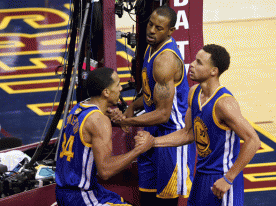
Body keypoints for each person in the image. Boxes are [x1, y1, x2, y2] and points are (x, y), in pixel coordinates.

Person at [151, 44, 261, 205]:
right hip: (201, 174)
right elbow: (188, 134)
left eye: (199, 62)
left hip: (222, 178)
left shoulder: (224, 104)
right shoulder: (194, 92)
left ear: (213, 71)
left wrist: (229, 178)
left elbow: (254, 140)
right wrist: (153, 142)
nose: (192, 65)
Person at [111, 5, 196, 206]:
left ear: (170, 31)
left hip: (171, 136)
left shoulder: (165, 60)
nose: (151, 30)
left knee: (165, 202)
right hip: (151, 132)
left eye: (159, 28)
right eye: (150, 24)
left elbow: (163, 114)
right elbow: (150, 93)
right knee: (147, 197)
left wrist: (128, 121)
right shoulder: (151, 47)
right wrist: (131, 107)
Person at [55, 67, 154, 206]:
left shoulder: (78, 108)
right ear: (106, 92)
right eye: (118, 85)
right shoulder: (99, 121)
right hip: (81, 196)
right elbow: (105, 171)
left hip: (64, 191)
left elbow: (89, 128)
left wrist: (113, 119)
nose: (120, 88)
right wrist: (139, 149)